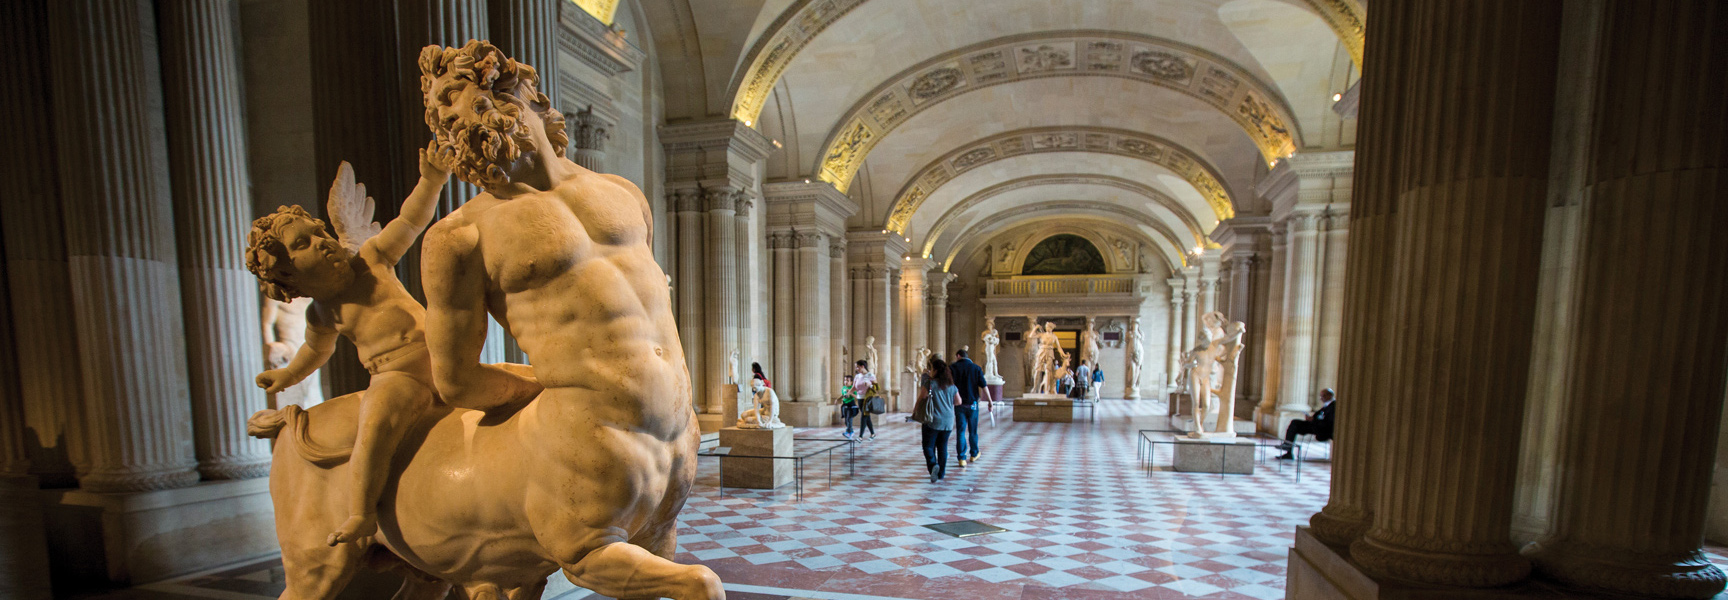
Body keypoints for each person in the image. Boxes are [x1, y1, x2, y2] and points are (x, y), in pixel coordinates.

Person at [247, 152, 449, 546]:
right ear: (287, 275)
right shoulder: (323, 315)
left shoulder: (371, 259)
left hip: (445, 355)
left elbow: (410, 222)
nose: (323, 243)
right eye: (304, 244)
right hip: (397, 376)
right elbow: (314, 352)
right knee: (372, 435)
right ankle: (361, 513)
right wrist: (288, 375)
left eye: (319, 233)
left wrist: (433, 181)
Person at [913, 356, 959, 483]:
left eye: (932, 369)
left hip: (932, 420)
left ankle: (933, 466)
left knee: (928, 446)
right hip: (948, 421)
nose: (930, 371)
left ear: (936, 371)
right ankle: (941, 474)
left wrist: (915, 411)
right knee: (943, 447)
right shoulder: (951, 385)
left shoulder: (930, 384)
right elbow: (958, 401)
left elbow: (921, 398)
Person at [949, 349, 987, 466]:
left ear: (958, 356)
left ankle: (961, 458)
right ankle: (974, 454)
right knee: (973, 431)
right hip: (973, 404)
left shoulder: (952, 368)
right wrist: (990, 401)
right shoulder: (976, 368)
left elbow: (948, 385)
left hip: (959, 404)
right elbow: (984, 386)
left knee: (960, 431)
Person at [1279, 388, 1337, 459]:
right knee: (1294, 423)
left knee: (1295, 425)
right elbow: (1319, 415)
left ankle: (1288, 447)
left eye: (1323, 396)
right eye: (1321, 396)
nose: (1321, 398)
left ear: (1330, 396)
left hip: (1322, 429)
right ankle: (1288, 450)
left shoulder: (1333, 406)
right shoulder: (1326, 405)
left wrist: (1313, 420)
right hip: (1316, 425)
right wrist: (1311, 418)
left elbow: (1329, 421)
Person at [851, 360, 878, 440]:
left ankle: (860, 436)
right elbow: (854, 387)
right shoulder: (857, 376)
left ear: (862, 366)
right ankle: (873, 434)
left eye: (857, 367)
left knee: (863, 416)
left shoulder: (871, 375)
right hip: (859, 398)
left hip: (868, 398)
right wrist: (849, 392)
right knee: (866, 416)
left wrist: (870, 385)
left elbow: (877, 387)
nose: (856, 369)